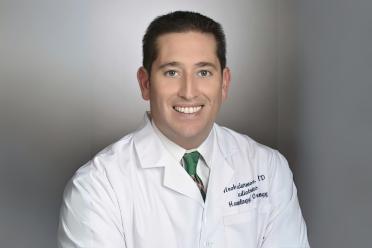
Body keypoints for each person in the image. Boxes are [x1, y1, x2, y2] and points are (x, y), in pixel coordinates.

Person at [57, 11, 310, 248]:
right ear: (145, 84)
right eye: (171, 72)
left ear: (224, 83)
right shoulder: (97, 187)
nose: (189, 92)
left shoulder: (268, 169)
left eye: (203, 72)